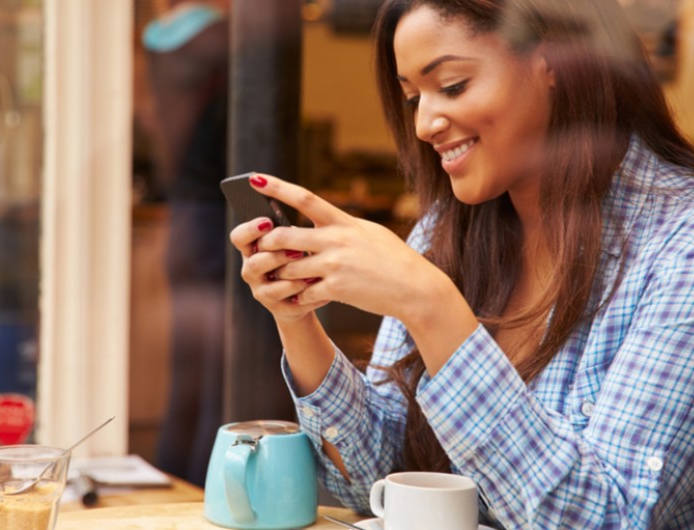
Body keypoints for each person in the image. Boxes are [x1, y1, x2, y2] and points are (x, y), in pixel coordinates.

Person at [228, 0, 694, 527]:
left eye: (451, 85)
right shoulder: (447, 230)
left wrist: (432, 307)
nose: (425, 124)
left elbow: (611, 518)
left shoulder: (680, 244)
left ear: (556, 63)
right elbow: (372, 481)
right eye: (411, 98)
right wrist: (297, 317)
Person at [141, 0, 229, 486]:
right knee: (223, 376)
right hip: (218, 219)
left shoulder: (157, 41)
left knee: (189, 375)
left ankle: (173, 481)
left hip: (184, 219)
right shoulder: (219, 40)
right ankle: (210, 491)